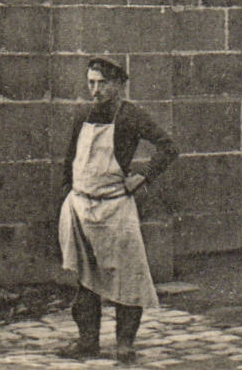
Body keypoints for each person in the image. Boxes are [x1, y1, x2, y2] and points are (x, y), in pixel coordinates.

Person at [57, 55, 178, 363]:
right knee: (85, 279)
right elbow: (69, 160)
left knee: (128, 278)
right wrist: (66, 196)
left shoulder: (130, 117)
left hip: (115, 210)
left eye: (101, 84)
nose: (95, 90)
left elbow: (168, 147)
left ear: (118, 86)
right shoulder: (82, 113)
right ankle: (88, 340)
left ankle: (125, 343)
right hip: (80, 206)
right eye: (91, 83)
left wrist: (143, 175)